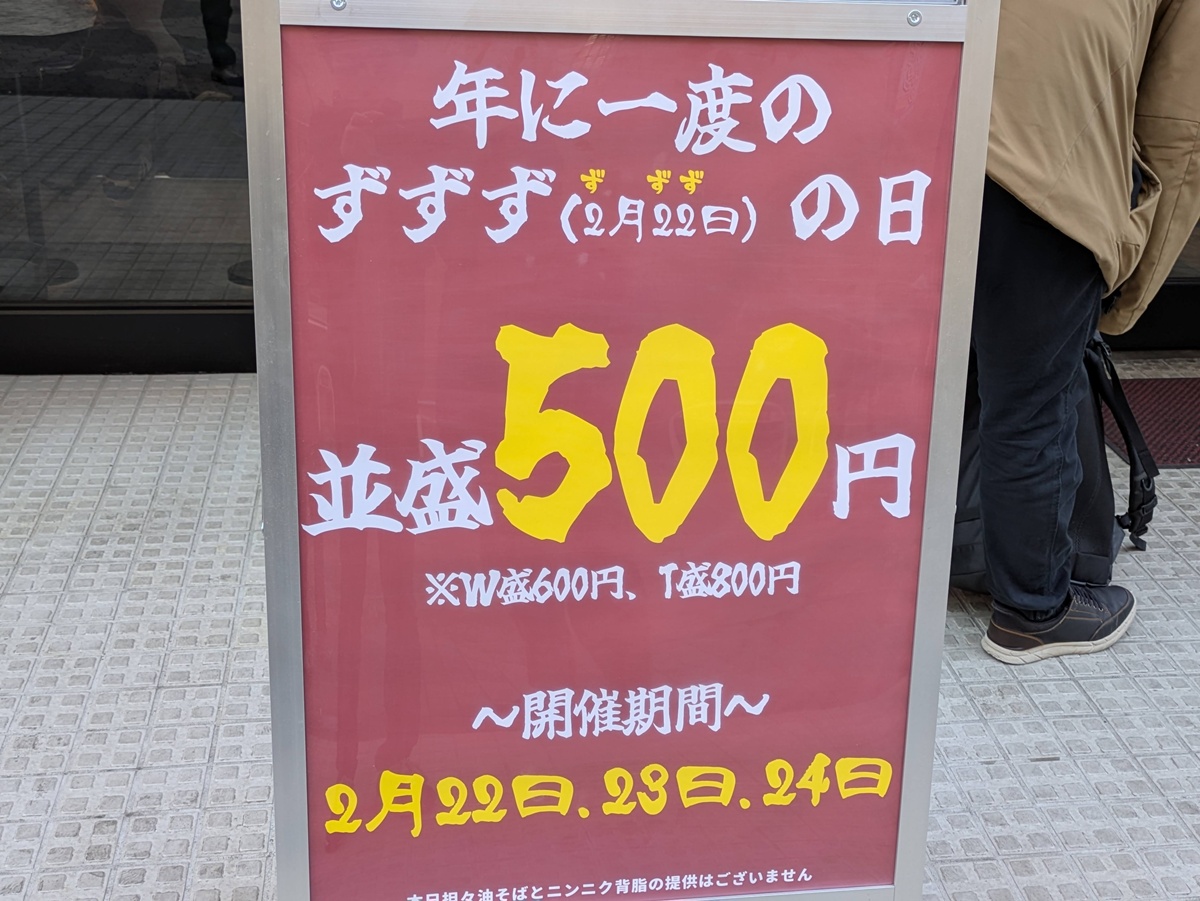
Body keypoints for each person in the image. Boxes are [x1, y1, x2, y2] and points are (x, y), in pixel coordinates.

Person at [973, 0, 1200, 664]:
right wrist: (1126, 288)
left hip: (889, 156)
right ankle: (1033, 611)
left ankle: (849, 580)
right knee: (1029, 405)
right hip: (1048, 178)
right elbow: (1178, 128)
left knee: (875, 374)